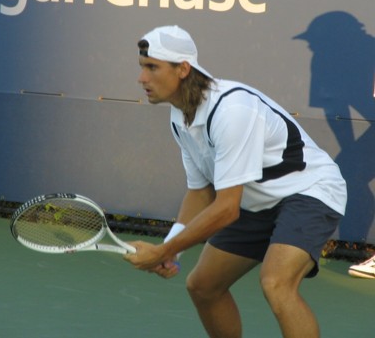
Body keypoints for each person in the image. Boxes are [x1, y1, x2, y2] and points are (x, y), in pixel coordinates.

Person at [124, 25, 347, 338]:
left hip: (309, 191)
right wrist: (172, 246)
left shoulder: (231, 110)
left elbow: (227, 209)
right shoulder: (180, 118)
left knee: (276, 283)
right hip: (257, 201)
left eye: (152, 67)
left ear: (183, 69)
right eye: (141, 68)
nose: (142, 79)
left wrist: (161, 254)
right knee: (202, 286)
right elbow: (201, 192)